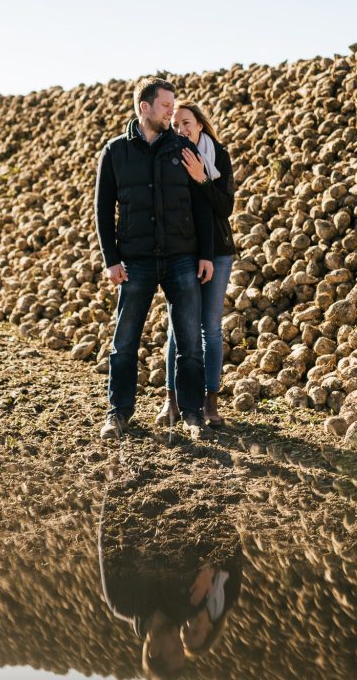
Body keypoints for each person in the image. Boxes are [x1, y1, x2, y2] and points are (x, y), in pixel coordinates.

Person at [95, 78, 215, 441]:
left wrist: (206, 254)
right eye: (166, 105)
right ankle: (119, 414)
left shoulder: (183, 148)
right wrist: (111, 258)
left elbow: (202, 204)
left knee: (190, 341)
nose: (171, 111)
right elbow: (102, 209)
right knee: (125, 342)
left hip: (182, 257)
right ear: (144, 107)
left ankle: (192, 415)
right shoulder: (115, 152)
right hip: (136, 261)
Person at [155, 101, 236, 429]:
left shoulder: (219, 155)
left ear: (200, 124)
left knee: (211, 329)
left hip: (217, 249)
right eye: (175, 125)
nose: (181, 130)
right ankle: (171, 401)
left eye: (186, 123)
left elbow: (225, 208)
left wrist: (202, 179)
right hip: (184, 251)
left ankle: (210, 402)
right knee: (178, 326)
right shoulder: (171, 155)